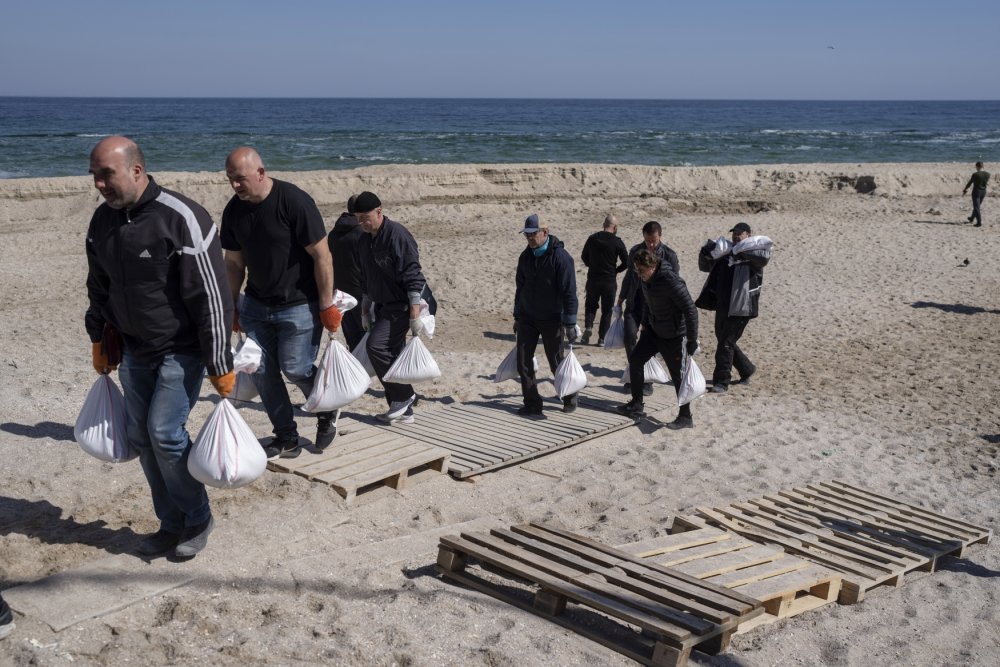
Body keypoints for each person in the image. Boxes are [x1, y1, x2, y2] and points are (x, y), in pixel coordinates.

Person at [86, 136, 233, 559]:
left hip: (180, 349)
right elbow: (98, 286)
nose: (98, 184)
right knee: (141, 437)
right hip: (134, 349)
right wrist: (99, 336)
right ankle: (171, 524)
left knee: (165, 435)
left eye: (106, 174)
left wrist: (219, 361)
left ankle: (198, 517)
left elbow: (212, 296)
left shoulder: (182, 217)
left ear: (136, 170)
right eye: (94, 175)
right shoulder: (102, 222)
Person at [221, 148, 342, 458]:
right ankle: (286, 435)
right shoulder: (234, 212)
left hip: (300, 304)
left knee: (297, 367)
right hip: (257, 305)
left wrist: (327, 304)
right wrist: (232, 305)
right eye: (230, 180)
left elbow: (322, 256)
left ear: (261, 173)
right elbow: (234, 264)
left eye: (240, 179)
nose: (235, 186)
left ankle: (327, 407)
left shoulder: (294, 201)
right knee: (261, 372)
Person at [355, 192, 427, 424]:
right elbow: (365, 279)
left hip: (402, 305)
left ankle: (404, 396)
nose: (362, 223)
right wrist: (365, 310)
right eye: (358, 219)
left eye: (365, 217)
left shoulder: (397, 235)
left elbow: (413, 274)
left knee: (376, 346)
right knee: (393, 356)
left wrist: (414, 313)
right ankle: (404, 412)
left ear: (379, 211)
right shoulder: (364, 241)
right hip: (381, 305)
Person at [617, 249, 699, 428]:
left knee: (678, 376)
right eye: (637, 271)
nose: (639, 275)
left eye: (641, 271)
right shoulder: (645, 279)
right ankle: (637, 404)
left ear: (652, 267)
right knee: (636, 360)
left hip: (674, 335)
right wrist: (645, 323)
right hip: (654, 330)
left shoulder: (671, 281)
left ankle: (685, 416)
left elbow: (691, 310)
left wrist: (692, 340)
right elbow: (648, 302)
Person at [513, 214, 580, 415]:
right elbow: (520, 287)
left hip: (552, 318)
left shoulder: (561, 258)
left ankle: (569, 396)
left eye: (533, 234)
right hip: (527, 317)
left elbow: (570, 291)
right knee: (523, 361)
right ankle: (532, 403)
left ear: (545, 232)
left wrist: (570, 322)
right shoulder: (525, 257)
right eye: (527, 234)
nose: (530, 238)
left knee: (556, 362)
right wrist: (517, 315)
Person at [697, 222, 769, 393]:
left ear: (749, 235)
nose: (736, 236)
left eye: (740, 234)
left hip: (742, 307)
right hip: (723, 305)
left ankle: (722, 382)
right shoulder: (726, 254)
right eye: (734, 234)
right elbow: (704, 265)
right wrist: (706, 250)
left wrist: (740, 253)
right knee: (723, 339)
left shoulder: (755, 256)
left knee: (726, 343)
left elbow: (763, 259)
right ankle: (747, 369)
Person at [616, 221, 680, 397]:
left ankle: (647, 380)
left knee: (647, 342)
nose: (651, 245)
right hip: (634, 302)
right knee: (629, 336)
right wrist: (620, 299)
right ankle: (634, 376)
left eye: (654, 241)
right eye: (648, 241)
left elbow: (675, 283)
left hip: (654, 307)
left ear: (660, 236)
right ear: (643, 236)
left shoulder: (669, 255)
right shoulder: (635, 251)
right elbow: (629, 275)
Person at [580, 214, 628, 346]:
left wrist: (592, 265)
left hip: (593, 278)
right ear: (615, 227)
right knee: (607, 309)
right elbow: (627, 261)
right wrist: (616, 270)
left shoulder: (592, 238)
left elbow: (584, 256)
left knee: (590, 304)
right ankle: (602, 338)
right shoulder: (617, 242)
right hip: (609, 280)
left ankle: (589, 327)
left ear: (603, 225)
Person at [327, 194, 365, 351]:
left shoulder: (334, 233)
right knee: (366, 332)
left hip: (341, 290)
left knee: (352, 336)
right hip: (360, 288)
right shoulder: (361, 233)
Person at [963, 161, 989, 227]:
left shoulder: (975, 174)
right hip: (983, 191)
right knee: (977, 206)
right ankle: (972, 218)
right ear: (983, 166)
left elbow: (970, 183)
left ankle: (979, 222)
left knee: (977, 207)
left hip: (976, 192)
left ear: (977, 166)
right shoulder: (988, 174)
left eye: (976, 167)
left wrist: (965, 189)